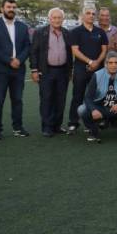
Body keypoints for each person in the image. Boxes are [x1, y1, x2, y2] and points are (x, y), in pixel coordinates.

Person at [0, 0, 31, 140]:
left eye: (13, 7)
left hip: (18, 70)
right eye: (8, 7)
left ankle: (18, 128)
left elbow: (27, 46)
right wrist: (9, 60)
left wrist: (19, 59)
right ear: (2, 9)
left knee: (17, 100)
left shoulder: (22, 26)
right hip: (0, 70)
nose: (11, 9)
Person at [30, 7, 73, 137]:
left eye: (59, 18)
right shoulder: (40, 32)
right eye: (54, 18)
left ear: (63, 19)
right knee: (47, 99)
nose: (57, 20)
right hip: (46, 71)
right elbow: (34, 52)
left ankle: (57, 126)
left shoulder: (67, 33)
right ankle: (47, 127)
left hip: (63, 71)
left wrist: (70, 70)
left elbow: (70, 53)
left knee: (60, 99)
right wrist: (34, 70)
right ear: (49, 19)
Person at [68, 6, 108, 133]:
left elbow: (104, 50)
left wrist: (97, 62)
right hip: (81, 69)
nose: (91, 15)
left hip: (98, 69)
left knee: (97, 96)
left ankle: (96, 120)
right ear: (83, 15)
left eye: (93, 14)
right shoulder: (75, 32)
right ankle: (73, 122)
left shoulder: (100, 32)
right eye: (88, 13)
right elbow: (75, 50)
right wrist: (90, 61)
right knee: (78, 96)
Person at [79, 51, 117, 143]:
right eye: (110, 63)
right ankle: (93, 130)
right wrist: (93, 110)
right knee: (82, 109)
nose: (113, 65)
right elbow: (88, 97)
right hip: (100, 107)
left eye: (116, 63)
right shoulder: (97, 75)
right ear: (106, 64)